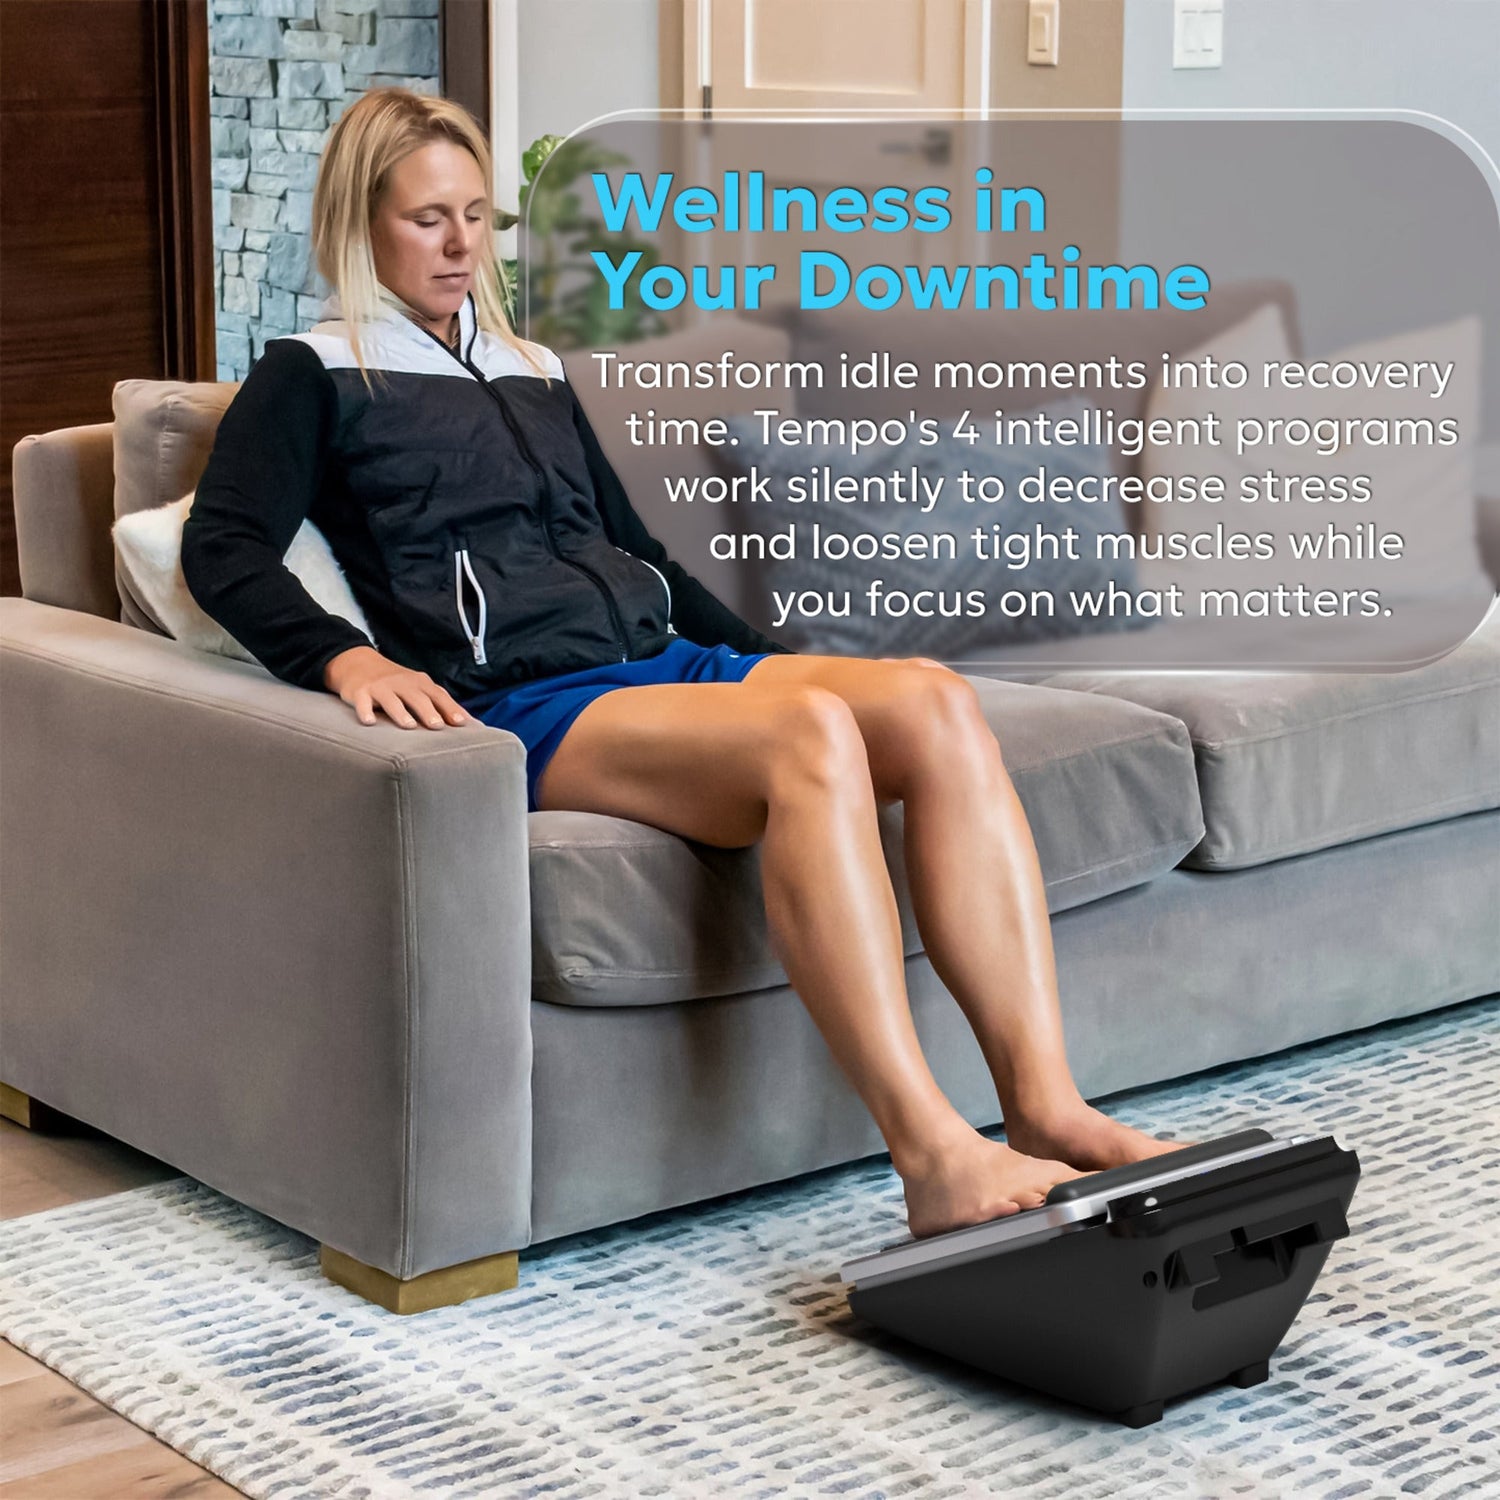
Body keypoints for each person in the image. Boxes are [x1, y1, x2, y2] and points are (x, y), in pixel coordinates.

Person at [183, 88, 1186, 1243]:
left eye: (476, 215)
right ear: (360, 228)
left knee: (932, 703)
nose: (462, 246)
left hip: (666, 659)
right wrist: (340, 655)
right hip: (532, 699)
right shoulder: (315, 374)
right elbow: (223, 547)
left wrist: (780, 664)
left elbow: (637, 552)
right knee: (812, 741)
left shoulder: (532, 368)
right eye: (426, 221)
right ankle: (934, 1154)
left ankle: (1046, 1106)